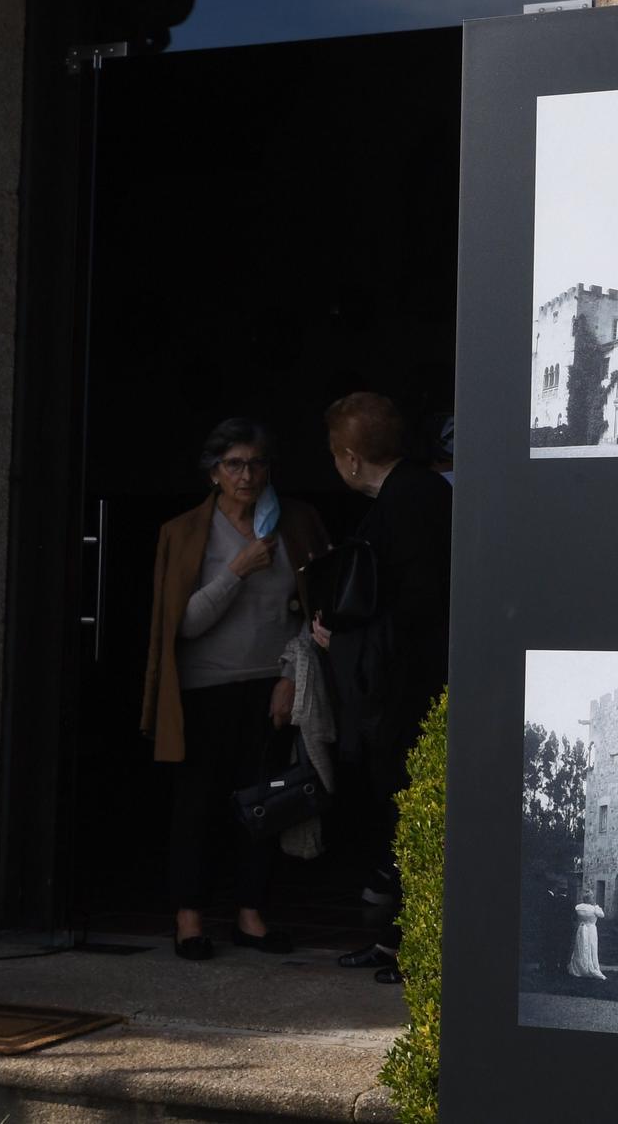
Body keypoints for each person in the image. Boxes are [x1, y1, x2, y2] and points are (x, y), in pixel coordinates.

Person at [141, 418, 329, 961]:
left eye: (257, 464)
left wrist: (291, 677)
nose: (247, 475)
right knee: (195, 807)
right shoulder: (184, 533)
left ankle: (251, 915)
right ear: (214, 473)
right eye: (234, 465)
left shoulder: (293, 523)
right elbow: (183, 623)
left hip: (269, 689)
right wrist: (238, 570)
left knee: (266, 805)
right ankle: (190, 920)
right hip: (204, 691)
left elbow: (311, 607)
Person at [315, 393, 453, 982]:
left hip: (410, 693)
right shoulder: (414, 494)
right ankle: (396, 943)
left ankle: (413, 948)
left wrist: (338, 642)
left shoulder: (412, 501)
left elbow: (415, 613)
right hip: (403, 689)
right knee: (397, 815)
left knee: (410, 812)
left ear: (349, 458)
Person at [568, 894, 606, 979]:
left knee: (580, 947)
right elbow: (602, 915)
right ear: (589, 899)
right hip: (591, 929)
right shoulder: (594, 909)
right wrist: (596, 905)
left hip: (581, 928)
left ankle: (579, 966)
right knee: (591, 947)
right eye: (592, 898)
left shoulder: (578, 907)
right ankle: (590, 966)